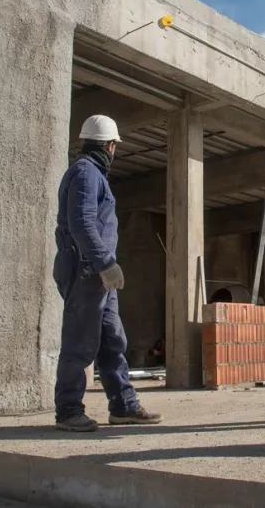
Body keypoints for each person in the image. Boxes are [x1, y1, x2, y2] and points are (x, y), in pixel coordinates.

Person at [52, 114, 162, 432]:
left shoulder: (92, 173)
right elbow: (82, 223)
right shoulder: (86, 174)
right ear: (110, 146)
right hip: (87, 269)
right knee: (80, 340)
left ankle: (123, 406)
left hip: (98, 273)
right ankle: (69, 410)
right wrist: (104, 264)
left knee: (112, 339)